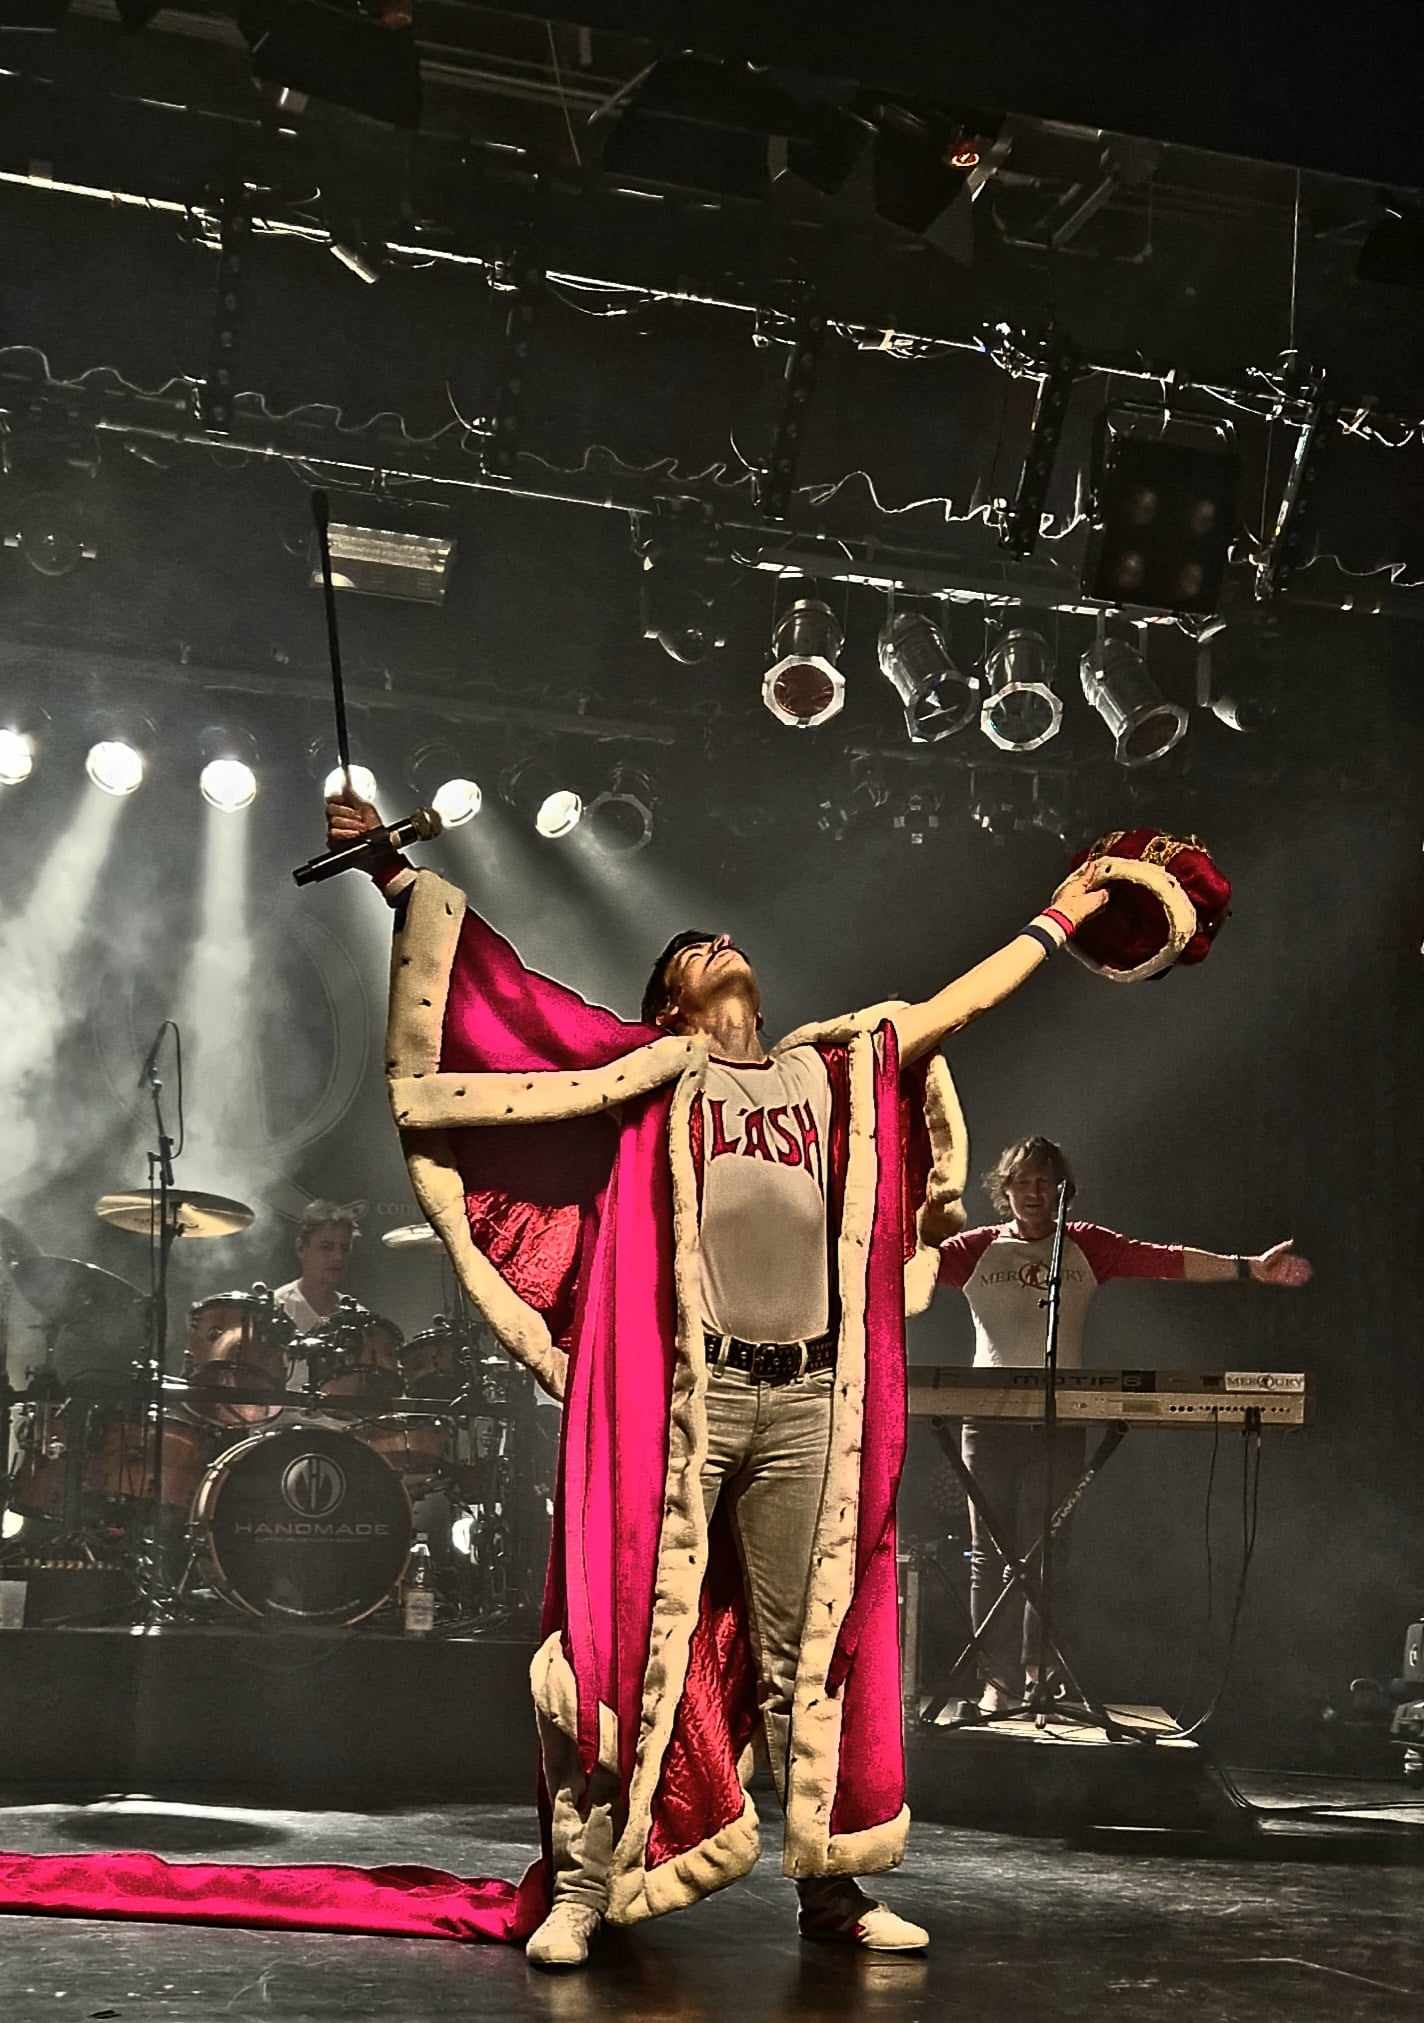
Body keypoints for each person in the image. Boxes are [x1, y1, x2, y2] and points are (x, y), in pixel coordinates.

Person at [325, 787, 1109, 1968]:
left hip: (807, 1404)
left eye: (723, 941)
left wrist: (1062, 916)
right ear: (666, 1004)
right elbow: (512, 1003)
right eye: (694, 952)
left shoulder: (827, 1074)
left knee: (813, 1648)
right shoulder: (648, 1075)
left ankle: (833, 1896)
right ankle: (581, 1888)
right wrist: (394, 875)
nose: (721, 946)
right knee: (621, 1634)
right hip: (685, 1401)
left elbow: (959, 1001)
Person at [935, 1135, 1314, 1713]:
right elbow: (901, 1268)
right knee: (990, 1555)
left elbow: (1164, 1260)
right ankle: (997, 1684)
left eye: (1045, 1182)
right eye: (1023, 1182)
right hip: (987, 1423)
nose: (1034, 1193)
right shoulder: (974, 1249)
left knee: (1047, 1551)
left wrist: (1247, 1268)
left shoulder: (1086, 1246)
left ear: (1062, 1191)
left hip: (1060, 1421)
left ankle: (1040, 1675)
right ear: (1004, 1189)